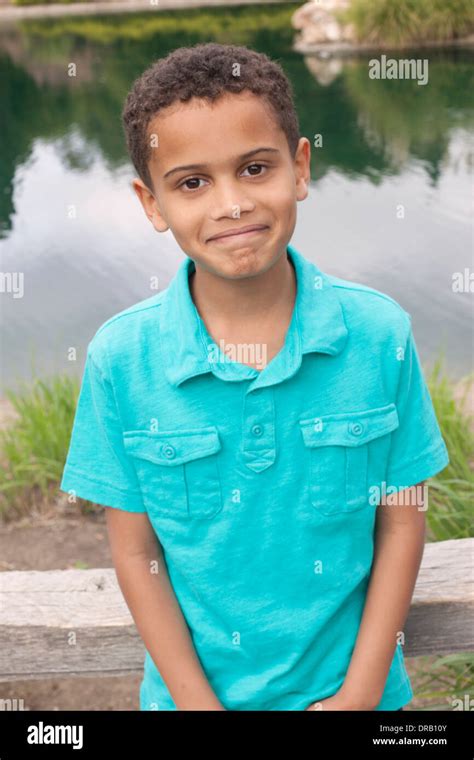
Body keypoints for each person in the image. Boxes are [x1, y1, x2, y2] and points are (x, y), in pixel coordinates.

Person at [60, 43, 450, 711]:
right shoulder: (120, 359)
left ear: (299, 168)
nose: (232, 204)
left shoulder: (378, 335)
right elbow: (134, 555)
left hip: (362, 700)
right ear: (151, 203)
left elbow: (402, 523)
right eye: (191, 183)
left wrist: (356, 699)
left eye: (254, 168)